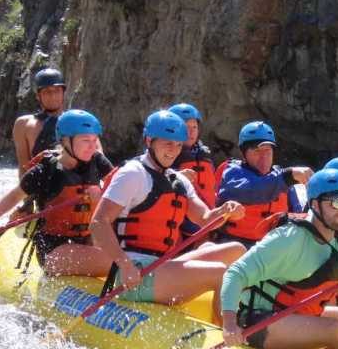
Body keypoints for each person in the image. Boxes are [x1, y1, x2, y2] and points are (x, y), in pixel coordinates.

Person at [89, 110, 246, 313]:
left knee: (236, 250)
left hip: (161, 266)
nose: (173, 151)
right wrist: (125, 265)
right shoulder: (133, 173)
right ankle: (227, 329)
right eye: (168, 143)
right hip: (135, 273)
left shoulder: (178, 180)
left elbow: (205, 219)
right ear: (149, 141)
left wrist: (225, 211)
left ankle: (235, 310)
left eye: (179, 145)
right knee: (220, 273)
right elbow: (98, 222)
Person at [220, 169, 338, 349]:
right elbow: (235, 274)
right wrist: (229, 325)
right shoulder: (288, 238)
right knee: (336, 330)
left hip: (302, 315)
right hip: (260, 321)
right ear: (315, 205)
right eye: (336, 203)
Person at [0, 110, 114, 277]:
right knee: (118, 262)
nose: (92, 146)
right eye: (85, 140)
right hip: (54, 250)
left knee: (127, 254)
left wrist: (103, 195)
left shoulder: (97, 161)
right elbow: (14, 196)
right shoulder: (46, 170)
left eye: (94, 140)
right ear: (65, 140)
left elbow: (121, 187)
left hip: (87, 241)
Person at [215, 121, 312, 248]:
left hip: (272, 245)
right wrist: (288, 176)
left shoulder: (283, 178)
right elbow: (252, 190)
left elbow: (297, 214)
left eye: (268, 151)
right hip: (235, 243)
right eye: (257, 151)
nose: (264, 157)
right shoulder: (232, 172)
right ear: (244, 153)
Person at [12, 68, 66, 177]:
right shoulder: (23, 124)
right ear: (38, 95)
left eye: (57, 91)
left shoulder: (79, 121)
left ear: (63, 93)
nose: (52, 96)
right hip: (40, 184)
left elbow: (97, 158)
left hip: (72, 184)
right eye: (47, 91)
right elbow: (24, 168)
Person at [168, 103, 216, 211]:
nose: (191, 131)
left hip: (206, 216)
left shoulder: (204, 154)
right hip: (178, 216)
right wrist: (176, 176)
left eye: (195, 127)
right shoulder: (164, 154)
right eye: (186, 127)